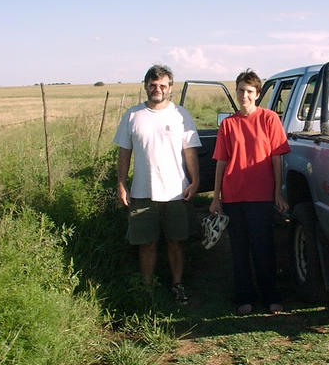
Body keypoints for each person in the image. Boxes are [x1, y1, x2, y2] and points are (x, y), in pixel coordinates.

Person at [113, 64, 201, 305]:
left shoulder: (181, 115)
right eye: (153, 85)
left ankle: (177, 285)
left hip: (176, 192)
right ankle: (147, 288)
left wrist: (195, 181)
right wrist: (121, 183)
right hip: (143, 192)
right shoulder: (133, 115)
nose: (157, 89)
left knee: (176, 242)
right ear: (146, 86)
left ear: (170, 88)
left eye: (163, 85)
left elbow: (190, 152)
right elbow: (123, 153)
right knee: (146, 243)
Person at [209, 69, 290, 315]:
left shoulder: (269, 119)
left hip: (261, 195)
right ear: (236, 92)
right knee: (239, 249)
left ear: (257, 94)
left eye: (249, 91)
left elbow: (277, 158)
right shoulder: (228, 124)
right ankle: (244, 297)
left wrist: (277, 192)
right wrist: (215, 197)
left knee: (263, 247)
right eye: (241, 90)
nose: (244, 95)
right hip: (233, 195)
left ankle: (271, 296)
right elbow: (221, 161)